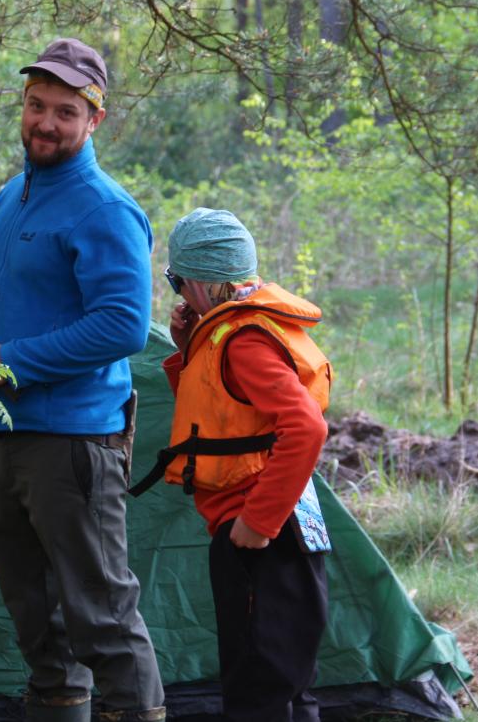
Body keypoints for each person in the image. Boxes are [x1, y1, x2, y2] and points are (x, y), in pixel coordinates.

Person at [0, 38, 164, 722]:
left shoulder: (103, 207)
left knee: (103, 617)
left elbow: (121, 324)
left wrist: (12, 361)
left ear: (96, 120)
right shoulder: (14, 195)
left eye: (65, 111)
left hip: (76, 441)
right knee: (35, 613)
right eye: (36, 106)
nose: (46, 123)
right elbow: (0, 291)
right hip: (8, 431)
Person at [129, 208, 333, 722]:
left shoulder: (243, 341)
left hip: (263, 532)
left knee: (255, 688)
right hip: (288, 525)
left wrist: (255, 527)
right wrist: (188, 347)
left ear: (199, 278)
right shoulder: (236, 331)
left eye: (177, 280)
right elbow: (223, 418)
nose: (177, 293)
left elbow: (306, 428)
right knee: (285, 685)